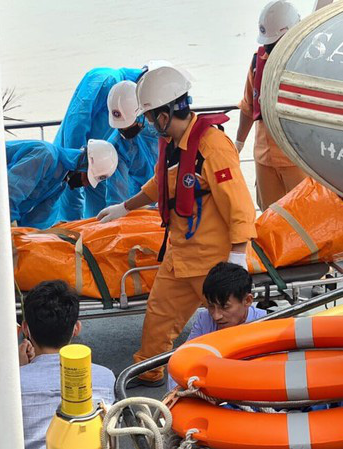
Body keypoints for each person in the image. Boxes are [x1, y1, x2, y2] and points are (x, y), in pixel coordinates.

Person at [99, 64, 257, 387]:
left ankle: (242, 379)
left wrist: (238, 257)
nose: (148, 123)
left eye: (149, 117)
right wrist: (124, 208)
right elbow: (161, 184)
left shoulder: (212, 147)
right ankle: (148, 371)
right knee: (158, 316)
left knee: (227, 323)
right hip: (180, 255)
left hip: (212, 263)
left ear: (163, 115)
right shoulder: (172, 144)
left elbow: (240, 205)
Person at [0, 280, 116, 449]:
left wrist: (18, 372)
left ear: (26, 329)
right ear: (76, 329)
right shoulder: (106, 377)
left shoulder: (3, 384)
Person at [235, 0, 306, 211]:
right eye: (269, 44)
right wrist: (238, 144)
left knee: (304, 217)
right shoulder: (258, 63)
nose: (271, 49)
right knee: (270, 218)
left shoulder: (307, 64)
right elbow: (248, 106)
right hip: (264, 159)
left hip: (298, 160)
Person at [0, 139, 118, 229]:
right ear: (83, 165)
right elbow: (8, 194)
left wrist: (34, 238)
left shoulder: (59, 183)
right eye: (86, 178)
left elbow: (39, 219)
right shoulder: (46, 155)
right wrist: (12, 229)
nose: (84, 185)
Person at [54, 67, 144, 222]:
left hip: (102, 164)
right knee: (69, 211)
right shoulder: (105, 79)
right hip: (77, 157)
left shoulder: (135, 101)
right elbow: (77, 121)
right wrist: (78, 163)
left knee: (102, 216)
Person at [167, 262, 266, 390]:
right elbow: (185, 358)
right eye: (211, 306)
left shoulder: (265, 324)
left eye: (225, 307)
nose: (216, 316)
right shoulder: (204, 319)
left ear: (247, 300)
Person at [103, 80, 159, 210]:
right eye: (121, 127)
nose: (125, 131)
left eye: (129, 124)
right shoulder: (116, 147)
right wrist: (120, 209)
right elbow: (117, 192)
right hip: (142, 198)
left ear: (142, 114)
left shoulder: (160, 125)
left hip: (172, 185)